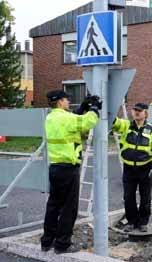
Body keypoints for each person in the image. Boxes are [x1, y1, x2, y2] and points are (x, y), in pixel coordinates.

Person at [41, 90, 101, 254]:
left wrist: (82, 108)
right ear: (60, 102)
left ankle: (47, 242)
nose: (68, 102)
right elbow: (87, 123)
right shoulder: (66, 118)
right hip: (68, 168)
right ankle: (62, 244)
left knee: (53, 205)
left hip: (55, 167)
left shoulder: (51, 117)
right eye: (67, 100)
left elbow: (72, 121)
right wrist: (94, 108)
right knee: (69, 208)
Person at [112, 102, 152, 232]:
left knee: (145, 196)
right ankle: (131, 221)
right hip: (129, 168)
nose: (136, 112)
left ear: (145, 113)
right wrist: (110, 111)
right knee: (128, 196)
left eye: (139, 111)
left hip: (145, 168)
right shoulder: (127, 125)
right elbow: (115, 122)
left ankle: (143, 222)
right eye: (135, 110)